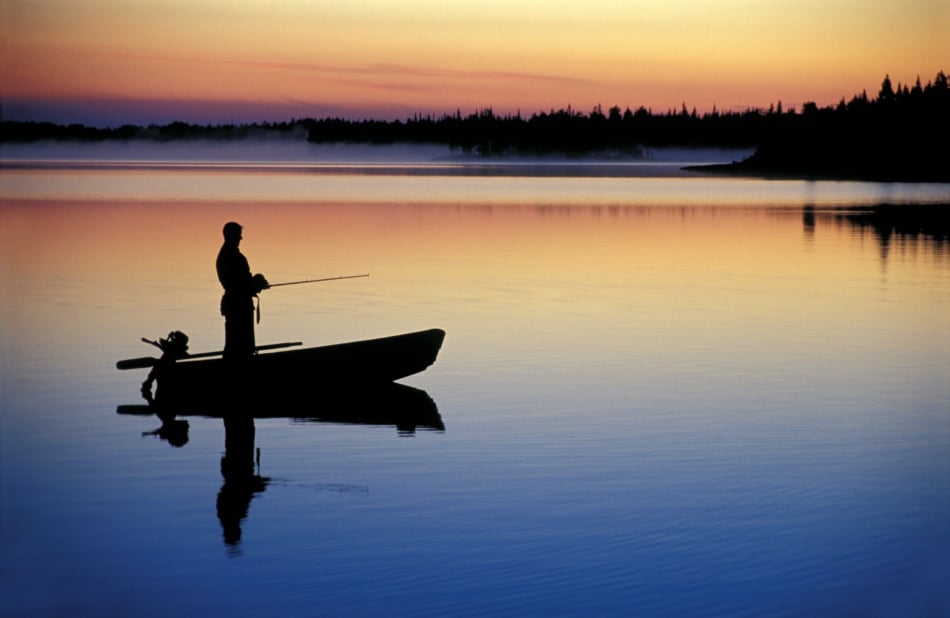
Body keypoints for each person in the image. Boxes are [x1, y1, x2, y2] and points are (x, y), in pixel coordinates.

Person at [216, 222, 269, 360]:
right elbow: (239, 284)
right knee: (239, 344)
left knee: (238, 344)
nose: (241, 238)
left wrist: (256, 284)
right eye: (239, 235)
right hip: (238, 305)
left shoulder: (228, 255)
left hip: (236, 303)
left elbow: (242, 283)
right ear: (232, 235)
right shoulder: (232, 256)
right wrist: (257, 283)